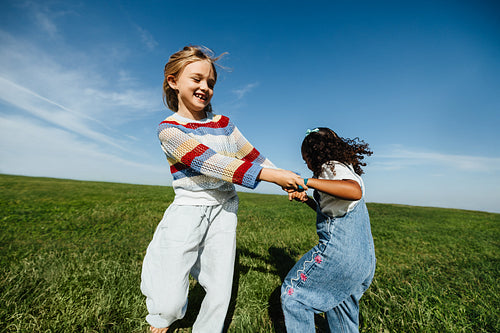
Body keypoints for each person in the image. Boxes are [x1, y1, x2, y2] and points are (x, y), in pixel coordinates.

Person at [140, 45, 305, 333]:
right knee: (168, 292)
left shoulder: (225, 125)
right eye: (196, 79)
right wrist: (273, 177)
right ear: (173, 81)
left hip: (224, 209)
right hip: (188, 210)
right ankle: (163, 317)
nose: (205, 87)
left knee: (219, 283)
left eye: (210, 83)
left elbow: (252, 156)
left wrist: (286, 178)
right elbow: (213, 164)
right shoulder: (169, 130)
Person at [281, 127, 376, 332]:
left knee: (294, 295)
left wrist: (305, 182)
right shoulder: (343, 169)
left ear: (317, 153)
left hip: (339, 257)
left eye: (306, 158)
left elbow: (353, 191)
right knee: (339, 304)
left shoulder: (331, 167)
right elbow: (333, 210)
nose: (306, 164)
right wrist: (306, 199)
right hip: (362, 261)